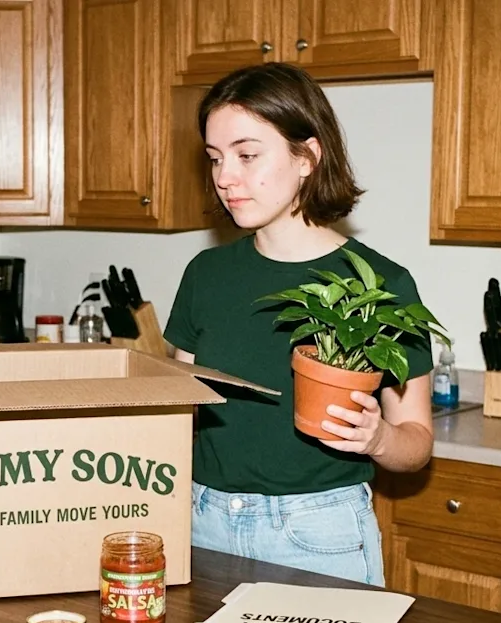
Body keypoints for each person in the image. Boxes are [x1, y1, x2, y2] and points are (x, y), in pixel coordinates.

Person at [163, 63, 435, 587]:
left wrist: (377, 439)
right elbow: (182, 416)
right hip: (202, 523)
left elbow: (417, 443)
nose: (224, 177)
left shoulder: (381, 284)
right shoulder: (206, 274)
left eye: (246, 155)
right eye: (216, 158)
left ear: (307, 156)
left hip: (319, 534)